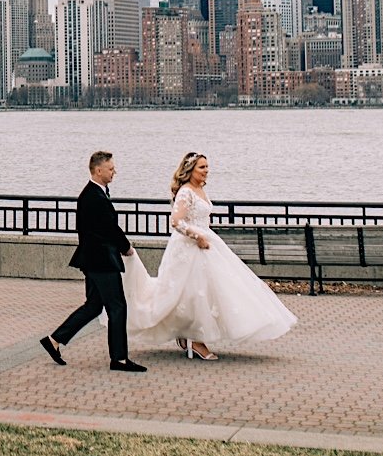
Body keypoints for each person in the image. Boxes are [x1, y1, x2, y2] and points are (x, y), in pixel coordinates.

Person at [116, 151, 298, 359]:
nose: (206, 171)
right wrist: (197, 236)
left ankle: (188, 335)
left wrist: (204, 237)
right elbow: (176, 221)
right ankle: (195, 339)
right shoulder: (185, 192)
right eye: (202, 167)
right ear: (190, 170)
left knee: (208, 291)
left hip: (206, 244)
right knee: (193, 292)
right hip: (189, 247)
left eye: (207, 167)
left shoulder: (200, 190)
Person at [38, 150, 146, 372]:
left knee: (94, 306)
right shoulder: (94, 196)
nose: (114, 171)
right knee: (117, 307)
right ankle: (119, 359)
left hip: (93, 259)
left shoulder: (92, 194)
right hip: (102, 261)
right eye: (110, 168)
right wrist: (126, 247)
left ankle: (54, 340)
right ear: (98, 170)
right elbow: (109, 228)